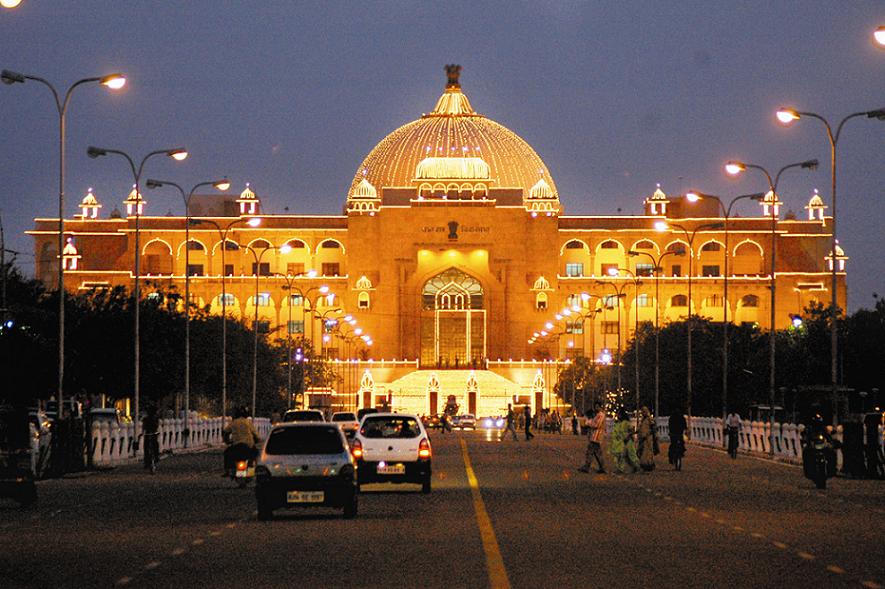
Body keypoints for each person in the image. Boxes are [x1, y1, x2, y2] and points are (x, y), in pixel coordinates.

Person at [222, 406, 261, 476]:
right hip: (248, 446)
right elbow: (256, 435)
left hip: (236, 446)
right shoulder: (248, 422)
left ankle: (227, 471)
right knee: (254, 457)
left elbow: (225, 432)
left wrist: (227, 441)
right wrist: (257, 440)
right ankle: (251, 473)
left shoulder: (233, 423)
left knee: (226, 453)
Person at [578, 403, 606, 474]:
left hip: (596, 437)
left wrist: (588, 423)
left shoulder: (601, 415)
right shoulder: (597, 415)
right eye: (595, 407)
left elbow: (597, 425)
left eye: (597, 407)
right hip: (594, 436)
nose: (596, 408)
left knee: (590, 452)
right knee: (597, 453)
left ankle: (587, 467)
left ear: (600, 407)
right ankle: (602, 467)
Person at [609, 408, 639, 473]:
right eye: (617, 414)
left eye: (619, 414)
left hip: (627, 442)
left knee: (631, 455)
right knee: (621, 456)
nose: (618, 415)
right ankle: (620, 468)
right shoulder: (617, 423)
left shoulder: (626, 423)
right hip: (620, 442)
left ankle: (637, 467)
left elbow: (632, 430)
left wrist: (628, 437)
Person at [636, 406, 658, 472]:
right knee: (641, 451)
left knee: (647, 452)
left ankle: (648, 465)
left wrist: (649, 434)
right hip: (642, 438)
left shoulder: (649, 419)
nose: (643, 413)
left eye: (644, 411)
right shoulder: (642, 420)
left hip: (648, 438)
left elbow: (653, 428)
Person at [141, 405, 160, 473]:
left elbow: (157, 426)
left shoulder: (155, 418)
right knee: (146, 447)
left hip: (153, 433)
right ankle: (147, 461)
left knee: (155, 445)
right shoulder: (146, 419)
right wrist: (142, 432)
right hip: (148, 433)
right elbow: (143, 427)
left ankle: (156, 457)